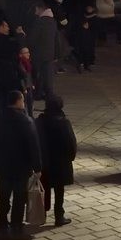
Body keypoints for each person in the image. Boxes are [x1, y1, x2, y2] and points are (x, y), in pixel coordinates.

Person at [0, 90, 40, 240]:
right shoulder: (26, 122)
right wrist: (38, 167)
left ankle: (1, 224)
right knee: (19, 197)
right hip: (21, 167)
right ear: (17, 102)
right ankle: (16, 227)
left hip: (3, 166)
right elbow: (33, 146)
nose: (23, 103)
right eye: (22, 100)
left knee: (3, 196)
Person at [35, 95, 77, 227]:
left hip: (44, 162)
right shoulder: (64, 123)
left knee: (45, 187)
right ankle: (59, 215)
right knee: (59, 190)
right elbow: (71, 143)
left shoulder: (39, 122)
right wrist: (70, 157)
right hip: (60, 163)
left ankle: (41, 214)